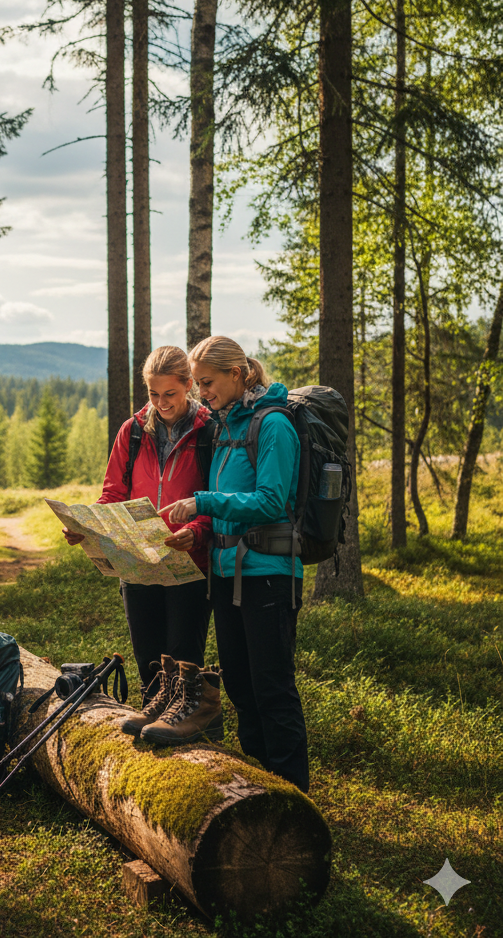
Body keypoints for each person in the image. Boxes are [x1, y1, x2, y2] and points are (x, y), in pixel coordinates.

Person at [163, 335, 310, 792]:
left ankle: (292, 792)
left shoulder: (273, 425)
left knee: (272, 687)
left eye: (207, 382)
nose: (202, 392)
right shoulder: (226, 426)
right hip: (226, 574)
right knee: (241, 688)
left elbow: (270, 501)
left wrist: (203, 501)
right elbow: (229, 502)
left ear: (237, 373)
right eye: (199, 384)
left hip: (268, 574)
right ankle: (261, 785)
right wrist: (200, 527)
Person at [61, 346, 215, 736]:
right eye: (152, 394)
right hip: (136, 561)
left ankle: (193, 731)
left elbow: (218, 496)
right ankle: (153, 722)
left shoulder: (210, 430)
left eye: (170, 394)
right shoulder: (131, 432)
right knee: (148, 656)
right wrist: (88, 525)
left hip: (190, 561)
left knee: (183, 654)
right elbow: (113, 493)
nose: (160, 403)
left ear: (188, 386)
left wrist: (196, 530)